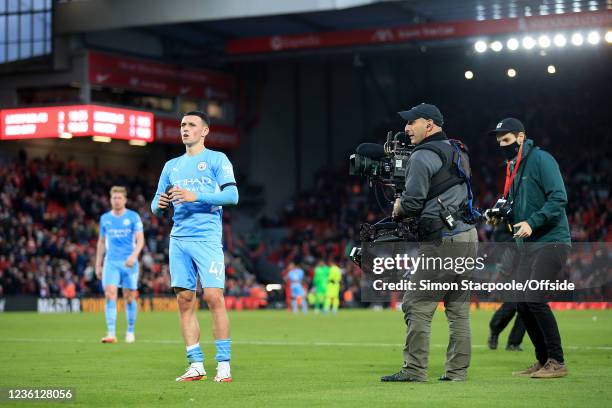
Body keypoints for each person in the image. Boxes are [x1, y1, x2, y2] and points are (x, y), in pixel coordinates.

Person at [382, 103, 478, 382]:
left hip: (443, 241)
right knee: (458, 310)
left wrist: (398, 206)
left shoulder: (423, 154)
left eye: (412, 122)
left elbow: (412, 203)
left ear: (430, 124)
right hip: (467, 235)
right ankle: (457, 372)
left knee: (416, 304)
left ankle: (414, 370)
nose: (406, 128)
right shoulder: (456, 148)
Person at [151, 111, 239, 382]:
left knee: (213, 298)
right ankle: (196, 364)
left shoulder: (216, 159)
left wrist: (195, 196)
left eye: (191, 125)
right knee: (184, 300)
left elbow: (232, 196)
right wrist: (160, 205)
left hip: (207, 240)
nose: (185, 129)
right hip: (178, 240)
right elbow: (155, 203)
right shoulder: (171, 166)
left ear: (204, 131)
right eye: (182, 125)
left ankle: (223, 365)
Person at [489, 117, 570, 379]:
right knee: (522, 303)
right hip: (528, 244)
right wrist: (501, 216)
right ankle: (543, 360)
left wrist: (532, 223)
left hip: (551, 240)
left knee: (533, 298)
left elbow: (559, 197)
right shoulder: (514, 166)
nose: (502, 145)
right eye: (499, 141)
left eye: (507, 140)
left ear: (521, 138)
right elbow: (517, 210)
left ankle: (557, 361)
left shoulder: (541, 160)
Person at [96, 186, 144, 344]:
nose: (116, 200)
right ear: (110, 199)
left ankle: (130, 330)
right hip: (111, 262)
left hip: (129, 263)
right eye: (114, 198)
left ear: (125, 199)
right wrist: (98, 264)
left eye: (119, 198)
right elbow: (102, 242)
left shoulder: (133, 217)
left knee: (129, 298)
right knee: (110, 293)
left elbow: (140, 240)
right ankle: (111, 333)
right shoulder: (105, 218)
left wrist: (133, 256)